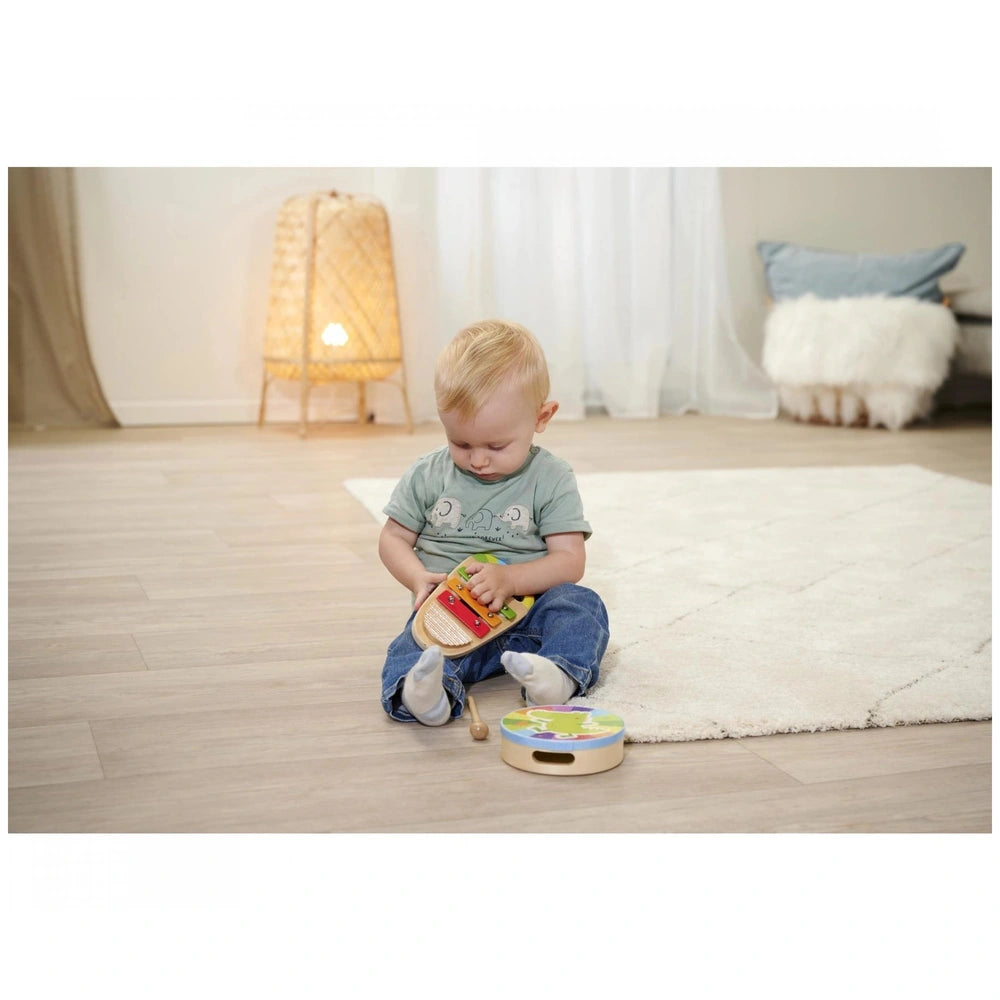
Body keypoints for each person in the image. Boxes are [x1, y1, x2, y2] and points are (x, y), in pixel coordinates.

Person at [378, 319, 610, 726]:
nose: (479, 459)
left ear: (542, 417)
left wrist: (512, 580)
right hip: (448, 619)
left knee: (582, 606)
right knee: (412, 647)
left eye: (497, 445)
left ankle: (557, 675)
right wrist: (417, 577)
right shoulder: (428, 474)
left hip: (529, 616)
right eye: (461, 443)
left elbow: (570, 560)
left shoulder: (551, 478)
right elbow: (393, 538)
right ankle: (427, 696)